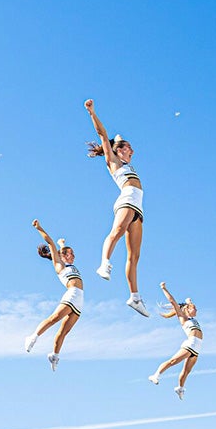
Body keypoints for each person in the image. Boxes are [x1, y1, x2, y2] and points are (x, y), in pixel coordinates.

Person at [84, 98, 148, 316]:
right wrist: (92, 113)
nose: (131, 149)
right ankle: (104, 263)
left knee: (134, 255)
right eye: (127, 146)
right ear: (118, 149)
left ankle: (135, 297)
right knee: (118, 231)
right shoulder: (113, 161)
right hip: (127, 199)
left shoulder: (128, 164)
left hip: (138, 206)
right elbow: (103, 135)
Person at [25, 221, 84, 370]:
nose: (74, 256)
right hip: (72, 294)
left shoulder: (67, 262)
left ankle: (54, 355)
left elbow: (62, 249)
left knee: (64, 331)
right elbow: (50, 242)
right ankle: (33, 336)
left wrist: (62, 243)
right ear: (63, 256)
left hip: (80, 300)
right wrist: (39, 228)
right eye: (71, 254)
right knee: (54, 318)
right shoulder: (60, 265)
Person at [149, 282, 203, 399]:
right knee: (173, 361)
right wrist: (164, 288)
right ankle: (156, 375)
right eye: (194, 308)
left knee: (186, 371)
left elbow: (191, 306)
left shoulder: (191, 317)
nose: (196, 309)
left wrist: (189, 302)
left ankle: (180, 388)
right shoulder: (183, 317)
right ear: (187, 309)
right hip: (191, 343)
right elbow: (173, 301)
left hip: (197, 347)